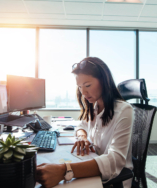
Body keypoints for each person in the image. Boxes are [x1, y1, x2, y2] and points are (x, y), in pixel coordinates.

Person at [36, 57, 134, 188]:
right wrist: (82, 137)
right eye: (80, 87)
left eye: (87, 85)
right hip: (93, 164)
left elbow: (115, 160)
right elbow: (81, 125)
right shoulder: (94, 107)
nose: (83, 92)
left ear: (104, 81)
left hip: (113, 180)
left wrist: (64, 170)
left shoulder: (124, 110)